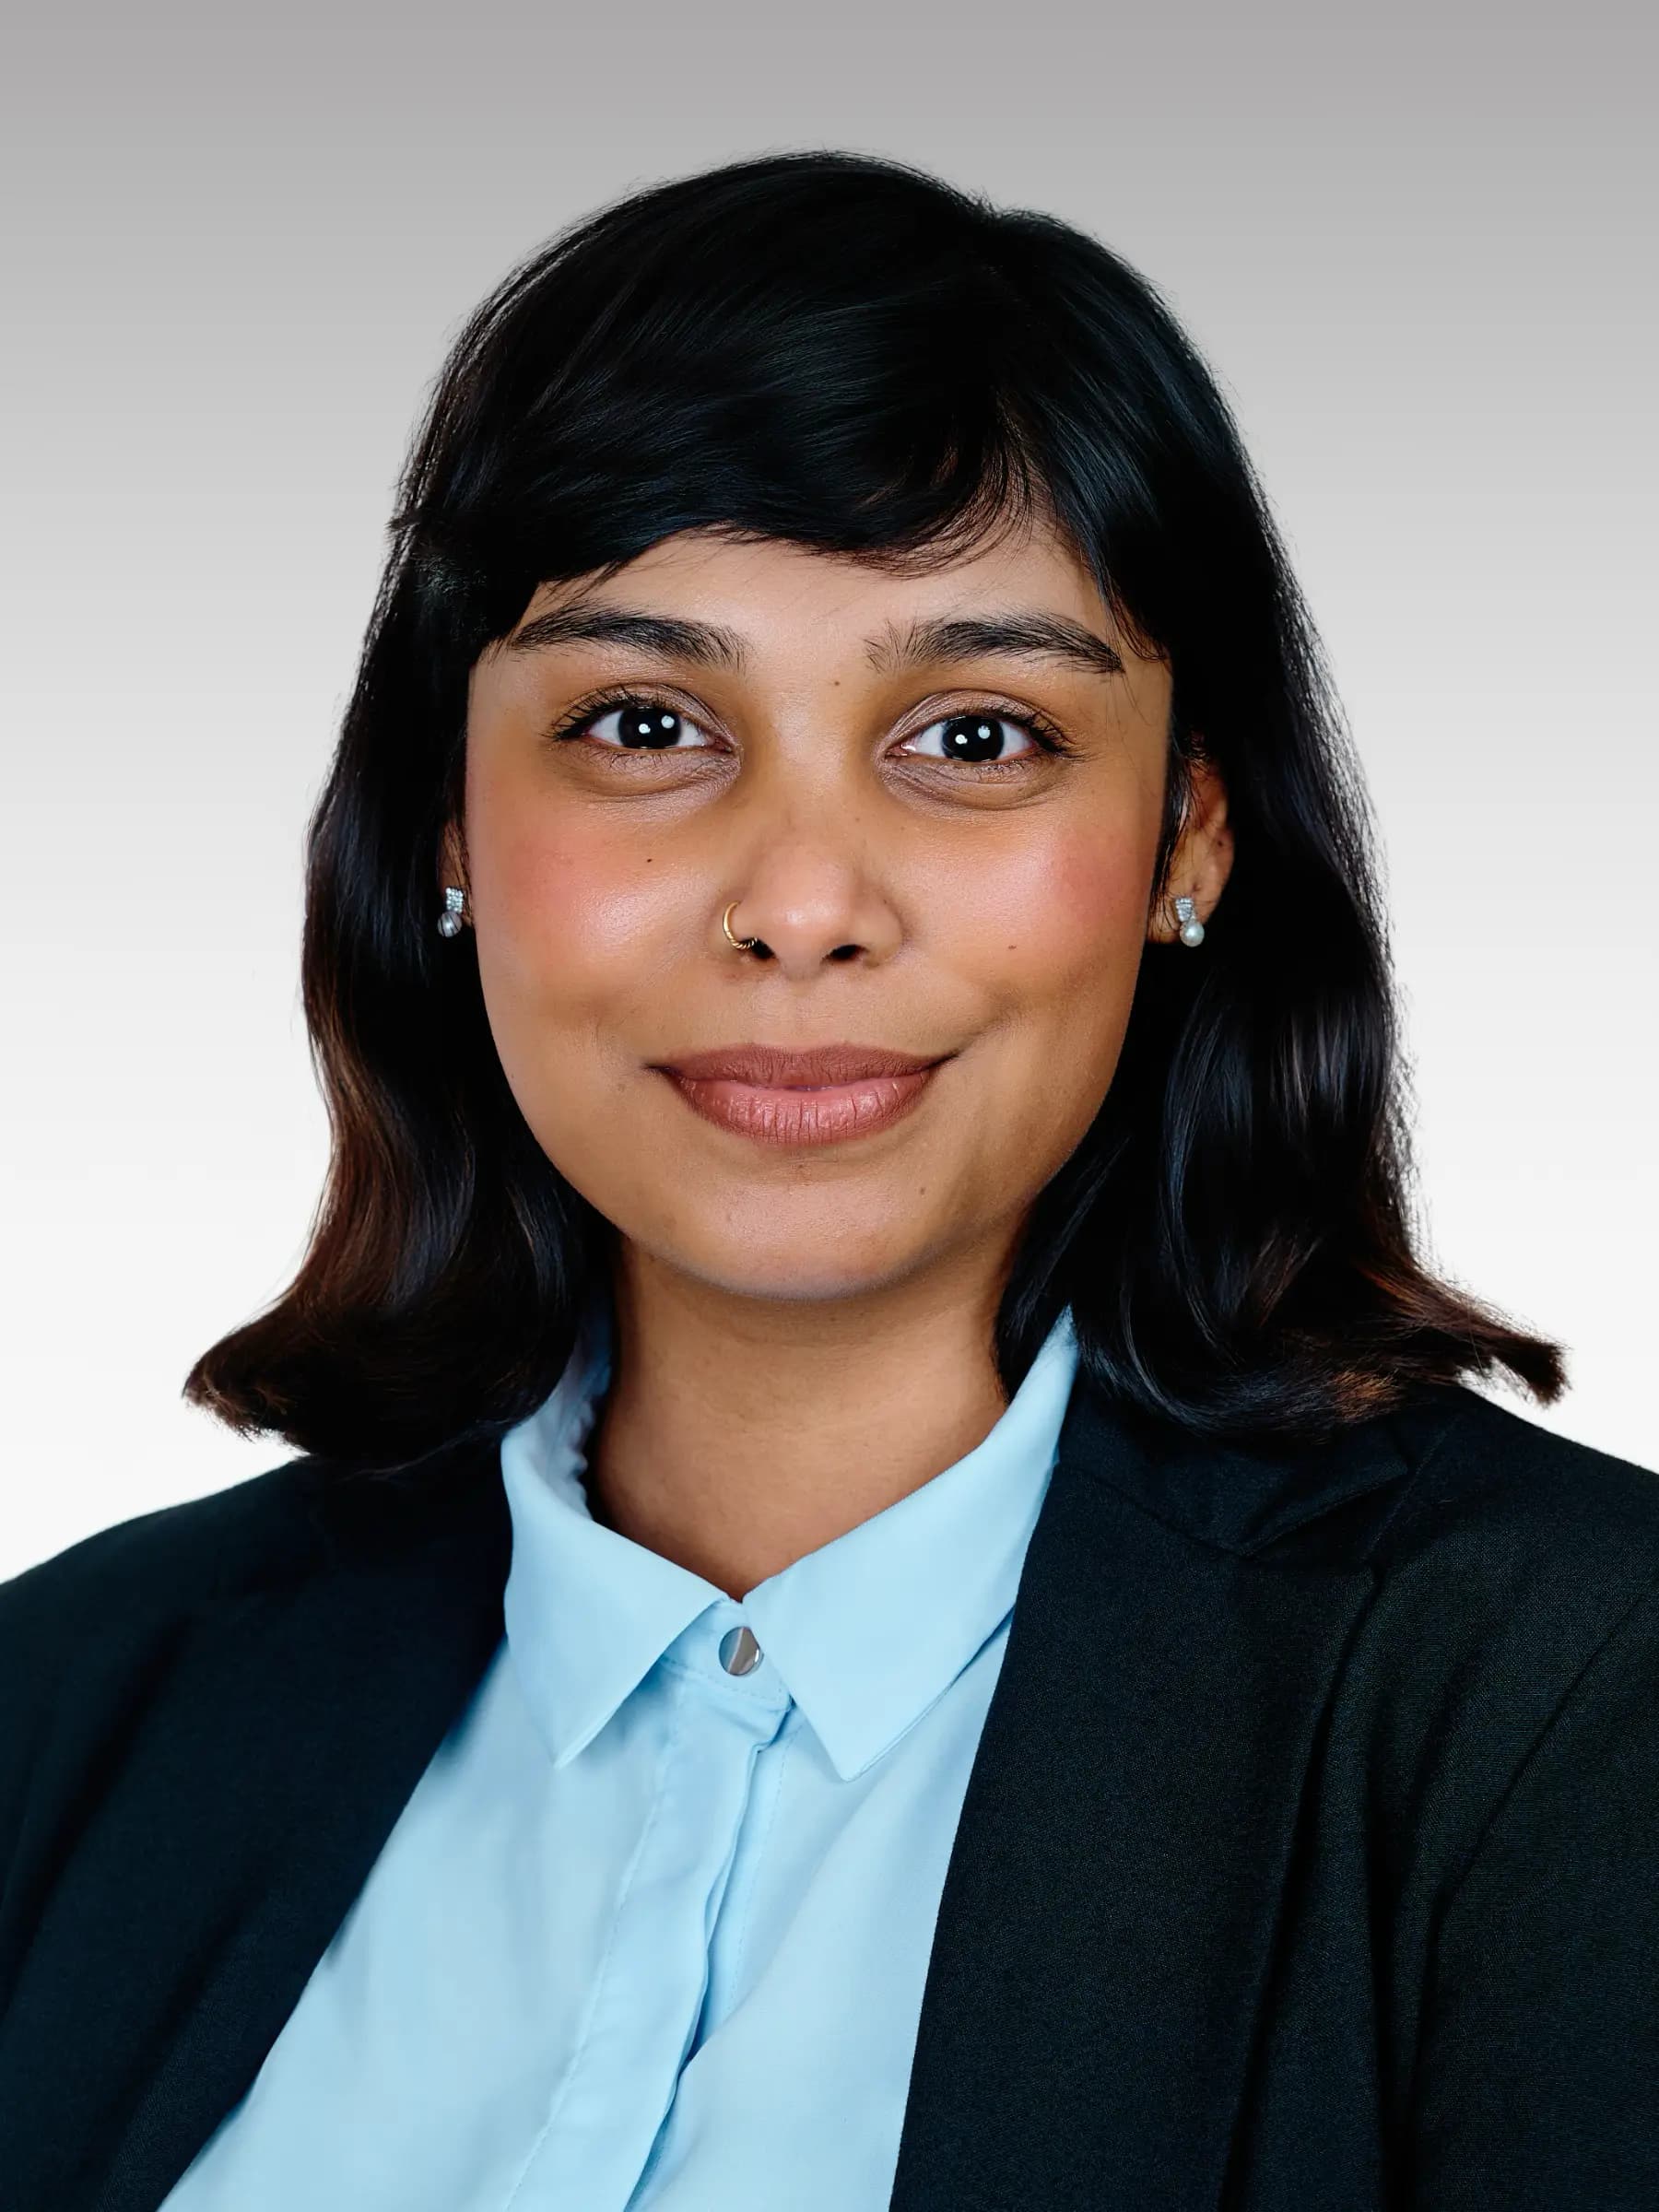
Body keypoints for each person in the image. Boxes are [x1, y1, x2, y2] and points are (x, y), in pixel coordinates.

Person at [2, 147, 1655, 2212]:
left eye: (974, 737)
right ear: (443, 818)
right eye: (640, 719)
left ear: (1191, 840)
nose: (800, 906)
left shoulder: (1568, 1712)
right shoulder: (61, 1709)